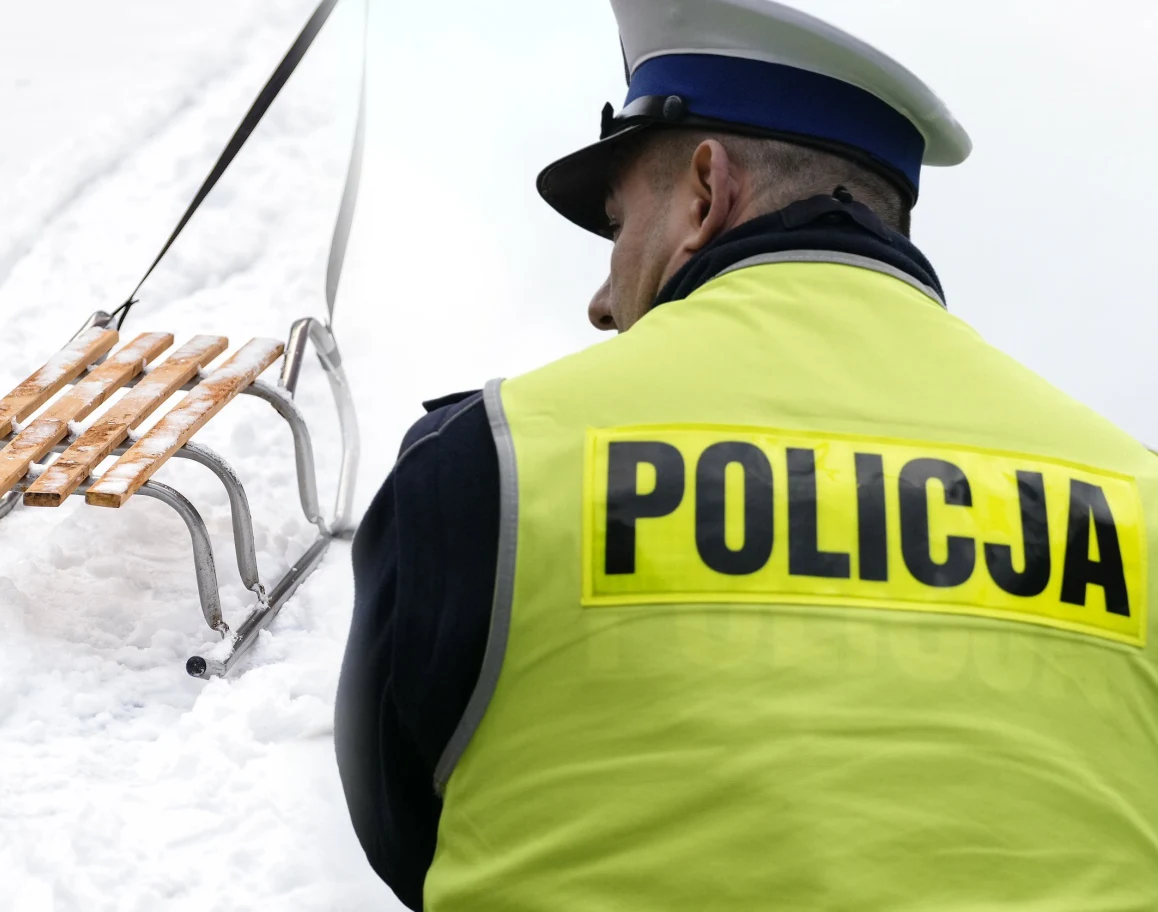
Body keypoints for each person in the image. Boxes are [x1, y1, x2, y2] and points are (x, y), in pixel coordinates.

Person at [335, 0, 1158, 908]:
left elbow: (406, 832)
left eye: (618, 227)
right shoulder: (1138, 492)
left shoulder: (488, 461)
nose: (602, 302)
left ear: (704, 190)